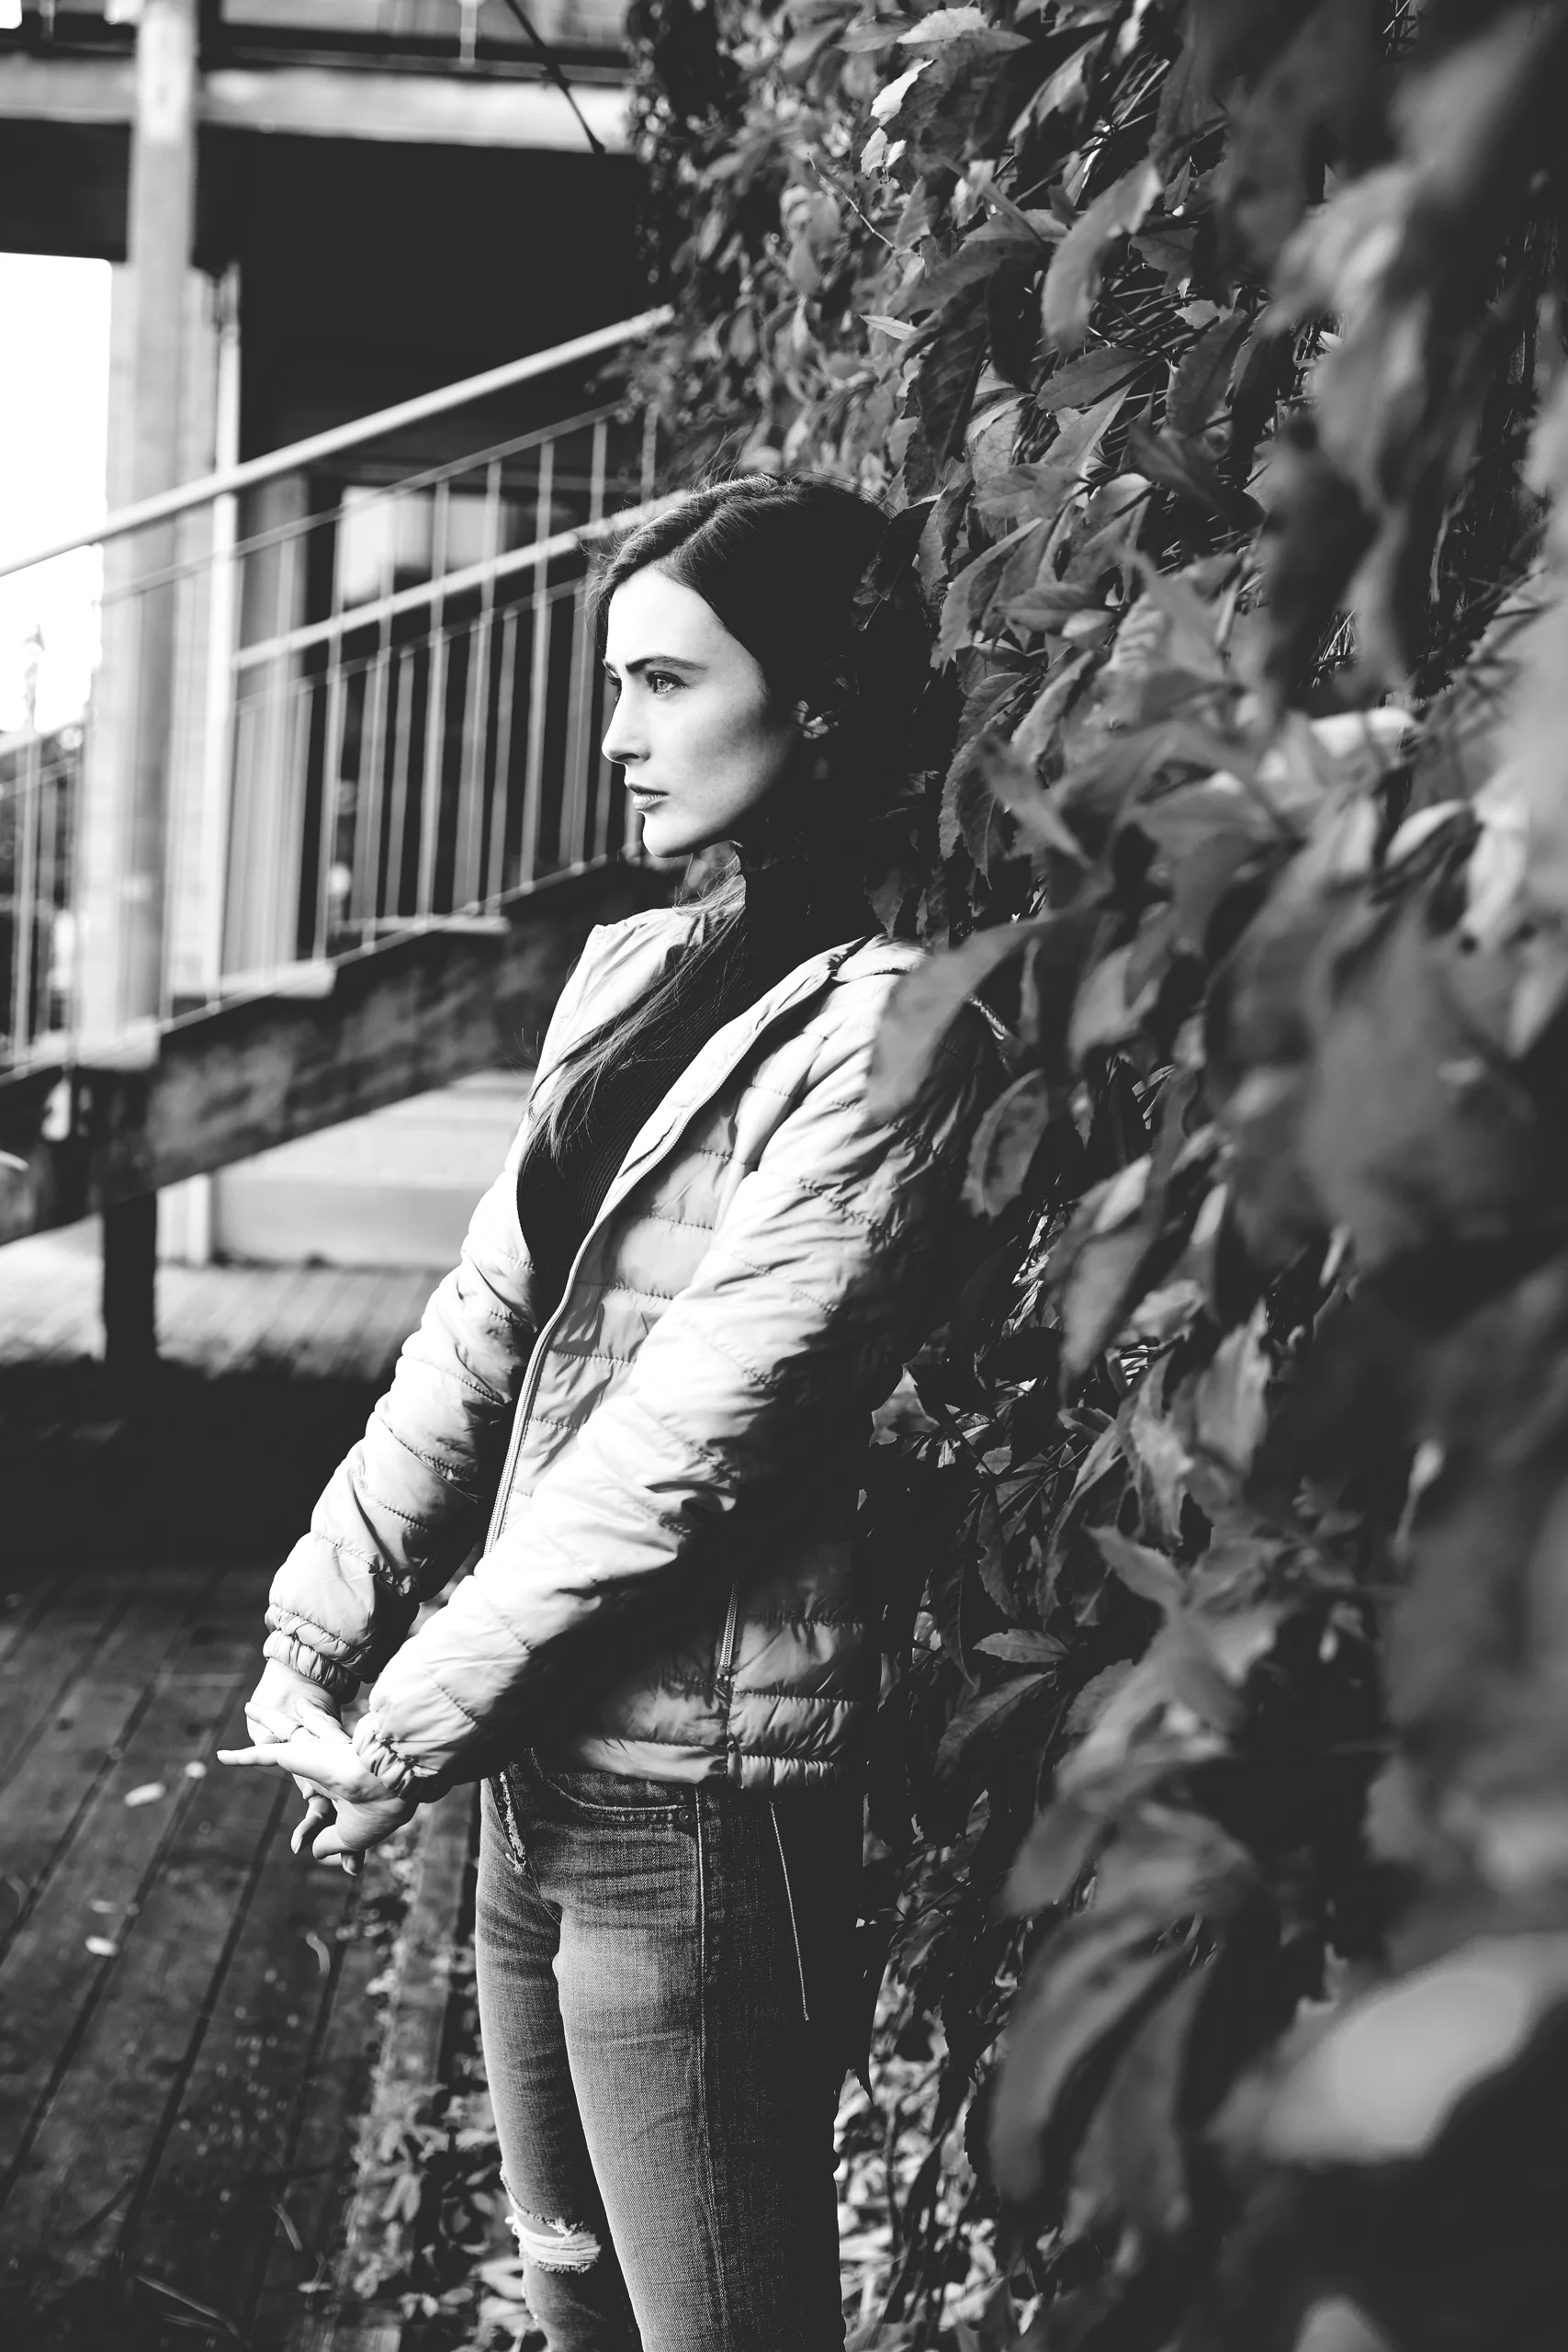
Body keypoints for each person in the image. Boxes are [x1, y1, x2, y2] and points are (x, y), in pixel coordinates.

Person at [219, 475, 990, 2352]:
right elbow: (478, 1328)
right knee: (575, 2304)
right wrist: (316, 1632)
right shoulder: (636, 969)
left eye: (664, 681)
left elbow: (691, 1443)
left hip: (702, 1820)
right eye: (613, 683)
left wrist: (406, 1717)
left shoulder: (896, 1031)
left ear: (816, 699)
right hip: (536, 1782)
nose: (616, 736)